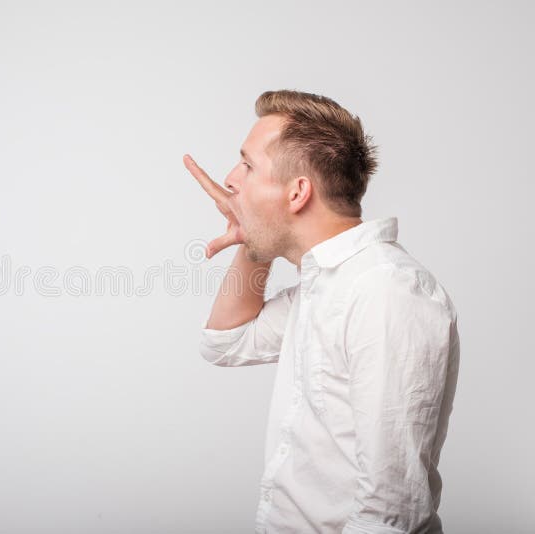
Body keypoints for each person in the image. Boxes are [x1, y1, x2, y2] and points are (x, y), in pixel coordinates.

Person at [184, 90, 460, 533]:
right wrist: (250, 241)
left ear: (297, 192)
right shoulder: (325, 286)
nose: (231, 180)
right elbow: (225, 342)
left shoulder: (385, 291)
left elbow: (391, 515)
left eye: (248, 166)